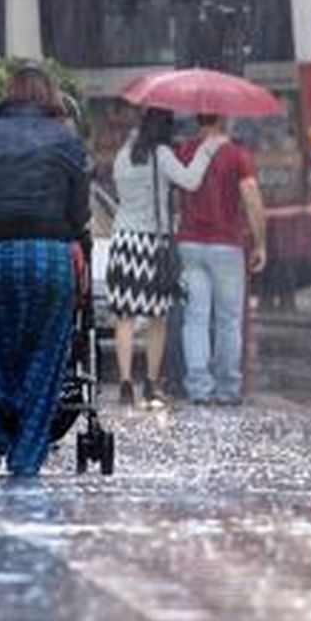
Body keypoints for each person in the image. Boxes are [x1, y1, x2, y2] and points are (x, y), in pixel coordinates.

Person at [0, 65, 89, 477]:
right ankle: (27, 460)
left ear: (9, 94)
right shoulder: (65, 139)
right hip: (47, 260)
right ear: (50, 96)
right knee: (44, 360)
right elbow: (79, 213)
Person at [106, 107, 226, 409]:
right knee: (157, 316)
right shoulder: (161, 154)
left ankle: (125, 385)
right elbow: (191, 180)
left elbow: (121, 191)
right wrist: (208, 149)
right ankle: (150, 384)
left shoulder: (124, 154)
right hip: (152, 243)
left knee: (124, 316)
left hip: (123, 240)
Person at [175, 115, 266, 405]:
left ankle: (198, 387)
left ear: (198, 119)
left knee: (195, 318)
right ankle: (227, 388)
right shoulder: (236, 154)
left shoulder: (185, 151)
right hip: (226, 245)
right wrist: (260, 243)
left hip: (190, 243)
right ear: (224, 118)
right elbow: (251, 197)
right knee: (228, 319)